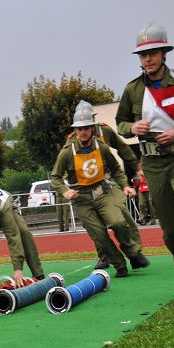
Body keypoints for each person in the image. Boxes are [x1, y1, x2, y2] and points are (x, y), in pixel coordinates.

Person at [51, 101, 149, 277]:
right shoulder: (68, 148)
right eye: (79, 128)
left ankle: (134, 252)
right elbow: (55, 176)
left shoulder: (104, 137)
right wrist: (65, 190)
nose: (83, 132)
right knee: (98, 234)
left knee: (120, 219)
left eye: (87, 127)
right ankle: (115, 261)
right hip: (81, 196)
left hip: (105, 186)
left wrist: (127, 182)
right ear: (75, 129)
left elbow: (121, 155)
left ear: (93, 124)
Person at [116, 22, 174, 269]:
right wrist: (132, 128)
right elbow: (120, 122)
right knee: (170, 231)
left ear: (164, 53)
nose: (148, 59)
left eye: (152, 53)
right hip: (152, 165)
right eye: (143, 55)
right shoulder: (133, 90)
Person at [0, 187, 45, 286]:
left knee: (23, 231)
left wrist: (17, 268)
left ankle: (38, 274)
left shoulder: (4, 209)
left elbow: (13, 236)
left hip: (5, 209)